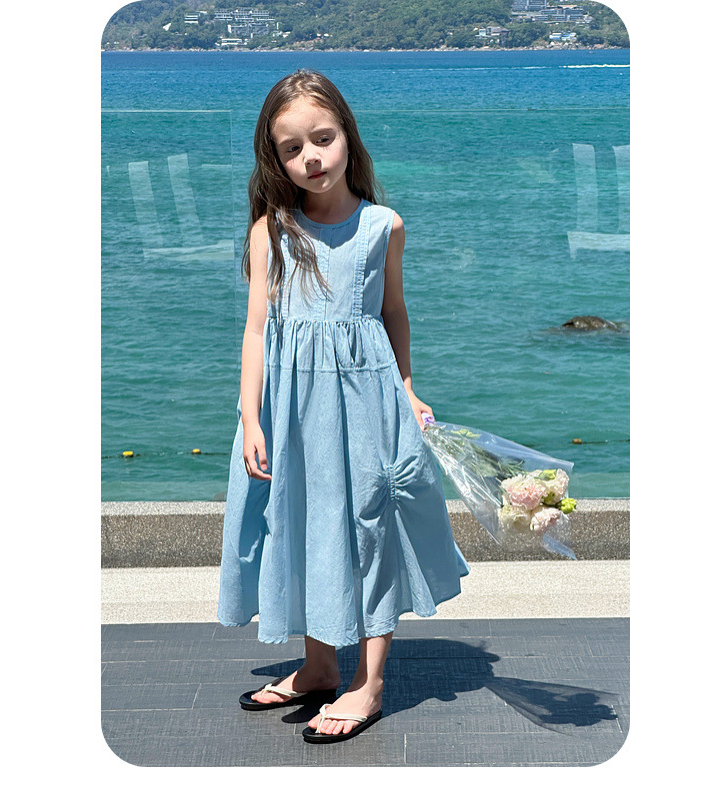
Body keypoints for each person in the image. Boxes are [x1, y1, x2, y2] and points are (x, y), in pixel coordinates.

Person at [217, 69, 470, 744]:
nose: (311, 157)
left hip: (367, 404)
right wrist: (250, 416)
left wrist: (408, 387)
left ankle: (369, 681)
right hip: (291, 411)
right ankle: (320, 665)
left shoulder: (383, 226)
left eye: (323, 138)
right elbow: (255, 330)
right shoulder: (272, 231)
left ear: (348, 137)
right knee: (302, 522)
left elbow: (393, 312)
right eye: (292, 148)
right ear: (276, 159)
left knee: (370, 528)